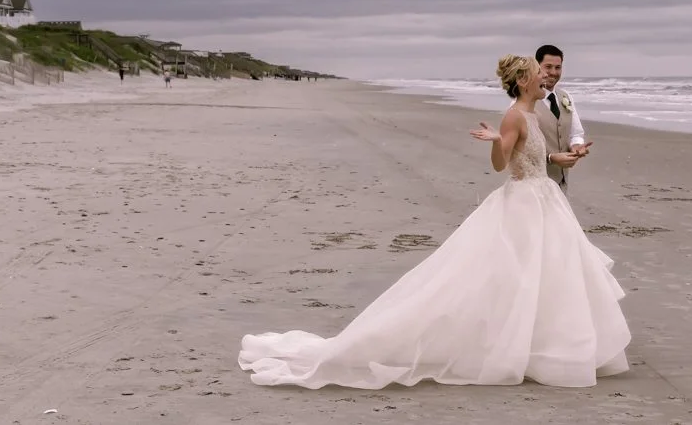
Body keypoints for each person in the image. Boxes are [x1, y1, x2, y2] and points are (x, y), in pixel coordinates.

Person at [237, 54, 631, 389]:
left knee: (547, 274)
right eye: (538, 73)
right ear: (525, 81)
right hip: (525, 201)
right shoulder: (515, 116)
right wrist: (497, 140)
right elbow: (502, 165)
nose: (545, 78)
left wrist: (555, 158)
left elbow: (531, 158)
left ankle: (541, 345)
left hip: (543, 198)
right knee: (518, 275)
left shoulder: (531, 112)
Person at [534, 44, 590, 191]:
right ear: (537, 67)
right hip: (534, 184)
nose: (553, 72)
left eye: (558, 67)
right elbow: (519, 149)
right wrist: (551, 158)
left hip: (561, 183)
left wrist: (576, 146)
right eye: (548, 67)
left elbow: (575, 133)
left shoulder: (566, 97)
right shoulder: (523, 101)